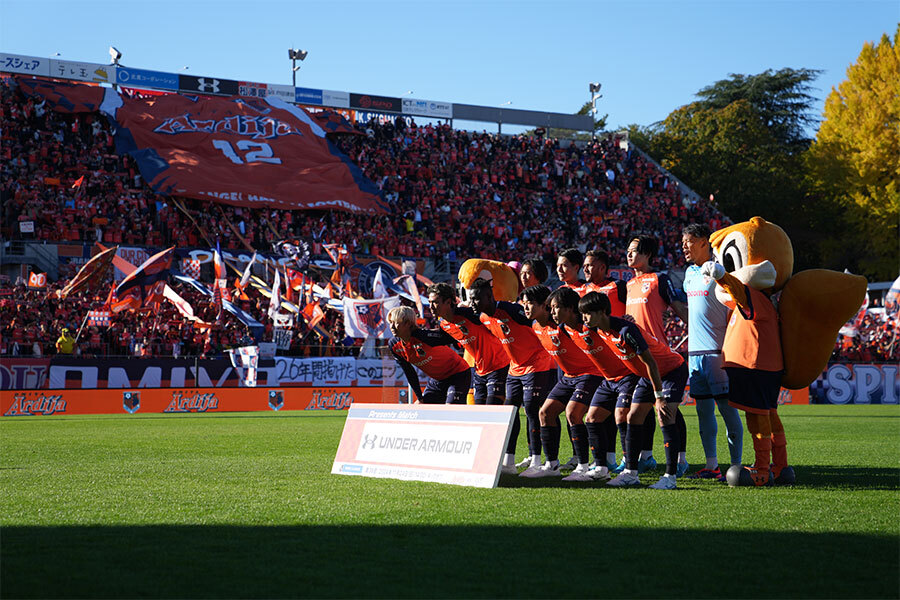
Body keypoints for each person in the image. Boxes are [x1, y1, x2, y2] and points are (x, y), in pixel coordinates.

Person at [580, 291, 688, 489]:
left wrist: (659, 397)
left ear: (602, 312)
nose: (584, 317)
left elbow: (651, 363)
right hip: (648, 375)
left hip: (671, 370)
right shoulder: (600, 330)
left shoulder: (626, 330)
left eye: (587, 313)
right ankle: (630, 473)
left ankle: (670, 477)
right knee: (633, 418)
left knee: (665, 415)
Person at [518, 286, 604, 480]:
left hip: (589, 373)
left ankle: (582, 466)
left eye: (530, 303)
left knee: (573, 413)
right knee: (545, 413)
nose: (525, 308)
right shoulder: (536, 327)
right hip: (568, 376)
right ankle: (551, 465)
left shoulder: (567, 326)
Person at [472, 278, 556, 475]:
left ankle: (538, 461)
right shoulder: (483, 318)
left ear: (488, 297)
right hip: (514, 369)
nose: (473, 303)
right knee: (509, 413)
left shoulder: (511, 311)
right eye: (470, 299)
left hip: (537, 364)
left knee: (532, 412)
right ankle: (508, 462)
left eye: (476, 299)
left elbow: (542, 319)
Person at [681, 224, 744, 479]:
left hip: (718, 352)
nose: (684, 246)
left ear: (705, 242)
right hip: (695, 354)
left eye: (690, 241)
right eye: (683, 241)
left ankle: (736, 465)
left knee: (728, 410)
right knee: (703, 411)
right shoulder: (688, 273)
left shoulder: (722, 269)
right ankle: (712, 465)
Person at [624, 235, 689, 475]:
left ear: (648, 254)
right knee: (644, 410)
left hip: (659, 356)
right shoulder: (628, 285)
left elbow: (678, 307)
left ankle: (680, 461)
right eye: (628, 251)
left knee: (667, 410)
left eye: (635, 251)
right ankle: (642, 459)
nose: (630, 255)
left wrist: (698, 329)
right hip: (638, 359)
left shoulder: (659, 279)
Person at [581, 248, 629, 469]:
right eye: (584, 265)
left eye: (589, 264)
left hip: (621, 356)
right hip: (595, 359)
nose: (585, 268)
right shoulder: (583, 289)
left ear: (602, 267)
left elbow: (635, 308)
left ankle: (635, 458)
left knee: (627, 413)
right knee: (601, 412)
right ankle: (606, 458)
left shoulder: (618, 287)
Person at [427, 282, 509, 405]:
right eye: (430, 302)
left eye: (435, 302)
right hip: (479, 372)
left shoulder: (470, 315)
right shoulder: (444, 324)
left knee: (497, 411)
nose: (431, 306)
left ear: (449, 302)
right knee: (481, 415)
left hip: (499, 367)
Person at [387, 305, 472, 404]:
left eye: (396, 323)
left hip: (458, 374)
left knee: (450, 408)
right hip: (437, 380)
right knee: (419, 407)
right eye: (390, 323)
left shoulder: (424, 336)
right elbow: (409, 372)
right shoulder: (394, 345)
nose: (392, 326)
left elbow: (450, 337)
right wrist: (419, 397)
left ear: (408, 324)